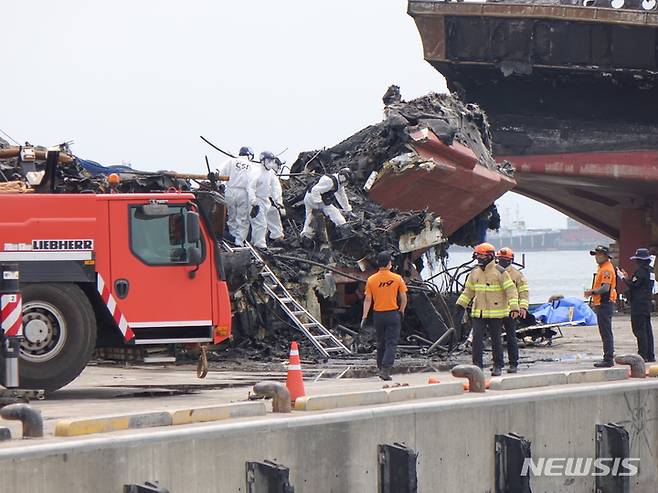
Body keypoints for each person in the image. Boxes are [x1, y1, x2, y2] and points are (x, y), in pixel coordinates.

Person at [455, 242, 519, 376]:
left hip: (497, 313)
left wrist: (514, 307)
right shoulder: (475, 273)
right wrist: (460, 304)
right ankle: (477, 366)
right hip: (479, 312)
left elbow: (511, 290)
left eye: (481, 256)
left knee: (496, 340)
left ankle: (498, 365)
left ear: (490, 256)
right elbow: (468, 291)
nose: (479, 259)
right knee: (476, 340)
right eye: (477, 256)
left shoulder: (500, 272)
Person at [361, 251, 408, 381]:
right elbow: (403, 297)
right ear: (389, 264)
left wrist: (364, 317)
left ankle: (380, 368)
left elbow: (368, 300)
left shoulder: (371, 280)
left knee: (381, 343)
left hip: (378, 315)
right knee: (391, 343)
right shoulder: (397, 278)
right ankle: (385, 370)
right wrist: (402, 310)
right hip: (392, 314)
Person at [619, 248, 655, 362]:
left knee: (639, 330)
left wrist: (623, 277)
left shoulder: (640, 271)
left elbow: (633, 285)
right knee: (647, 330)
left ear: (639, 260)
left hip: (638, 304)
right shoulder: (651, 271)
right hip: (647, 303)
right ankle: (650, 355)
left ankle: (642, 354)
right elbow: (642, 284)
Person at [584, 245, 618, 368]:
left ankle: (608, 358)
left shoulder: (606, 269)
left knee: (606, 332)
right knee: (605, 331)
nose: (596, 257)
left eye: (599, 255)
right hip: (601, 304)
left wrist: (591, 292)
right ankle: (608, 356)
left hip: (605, 304)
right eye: (596, 255)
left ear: (605, 256)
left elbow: (605, 288)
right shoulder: (602, 268)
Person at [496, 247, 528, 373]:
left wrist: (523, 307)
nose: (503, 261)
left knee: (511, 337)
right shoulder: (493, 272)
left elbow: (523, 292)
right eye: (501, 259)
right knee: (496, 339)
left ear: (511, 260)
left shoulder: (517, 275)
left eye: (506, 259)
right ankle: (498, 364)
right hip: (495, 310)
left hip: (511, 311)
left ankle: (513, 363)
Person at [301, 167, 354, 240]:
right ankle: (344, 228)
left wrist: (348, 209)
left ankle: (306, 236)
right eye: (347, 181)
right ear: (344, 177)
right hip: (315, 198)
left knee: (310, 216)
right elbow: (315, 190)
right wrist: (319, 203)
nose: (347, 183)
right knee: (335, 213)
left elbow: (342, 196)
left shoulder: (337, 182)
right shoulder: (330, 182)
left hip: (308, 197)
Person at [218, 146, 257, 246]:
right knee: (243, 219)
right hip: (243, 192)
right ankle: (239, 242)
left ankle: (232, 238)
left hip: (230, 191)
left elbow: (220, 174)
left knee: (232, 217)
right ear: (250, 155)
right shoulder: (251, 166)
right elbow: (252, 183)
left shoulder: (231, 161)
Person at [249, 151, 280, 249]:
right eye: (268, 160)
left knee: (270, 218)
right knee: (260, 224)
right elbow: (250, 187)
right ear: (262, 161)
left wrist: (278, 200)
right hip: (257, 200)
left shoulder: (271, 174)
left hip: (266, 200)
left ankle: (275, 237)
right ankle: (260, 245)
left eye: (272, 161)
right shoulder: (256, 172)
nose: (270, 163)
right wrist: (253, 200)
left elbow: (276, 187)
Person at [266, 156, 286, 244]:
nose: (279, 168)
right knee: (275, 225)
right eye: (279, 166)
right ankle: (279, 240)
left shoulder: (262, 173)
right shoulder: (273, 176)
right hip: (269, 203)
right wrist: (279, 205)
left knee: (261, 224)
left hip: (257, 202)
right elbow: (276, 192)